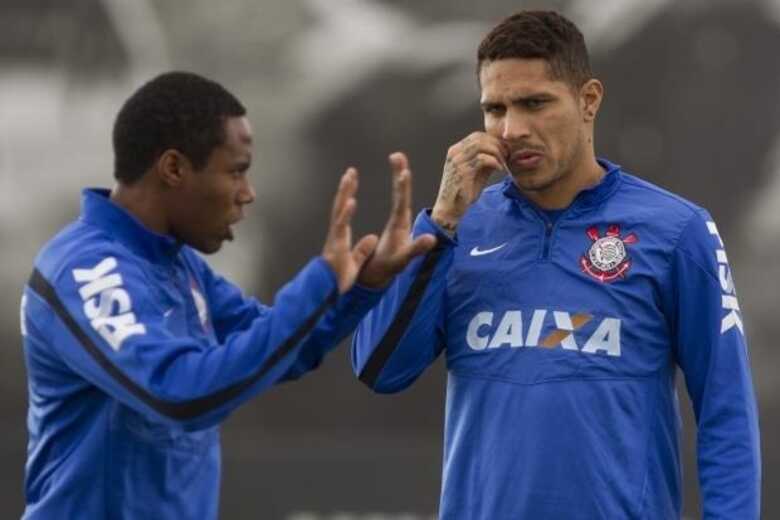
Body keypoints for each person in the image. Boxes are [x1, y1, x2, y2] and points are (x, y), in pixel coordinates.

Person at [352, 10, 761, 519]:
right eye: (494, 108)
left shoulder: (677, 229)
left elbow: (726, 412)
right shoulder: (459, 229)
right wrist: (441, 224)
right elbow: (379, 369)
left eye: (535, 103)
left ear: (589, 100)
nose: (512, 128)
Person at [20, 71, 435, 519]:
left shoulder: (178, 264)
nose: (247, 193)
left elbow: (279, 347)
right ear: (174, 168)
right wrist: (320, 279)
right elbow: (178, 394)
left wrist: (361, 285)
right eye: (236, 171)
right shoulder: (88, 270)